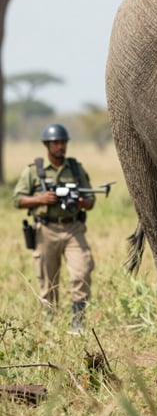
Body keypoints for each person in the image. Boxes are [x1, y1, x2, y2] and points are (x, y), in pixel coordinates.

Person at [13, 123, 96, 332]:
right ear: (47, 145)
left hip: (73, 228)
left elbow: (91, 199)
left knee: (82, 271)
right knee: (47, 280)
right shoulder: (33, 171)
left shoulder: (76, 169)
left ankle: (79, 321)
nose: (60, 146)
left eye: (63, 142)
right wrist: (40, 199)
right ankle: (49, 323)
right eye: (56, 143)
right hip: (45, 230)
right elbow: (17, 199)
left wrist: (81, 202)